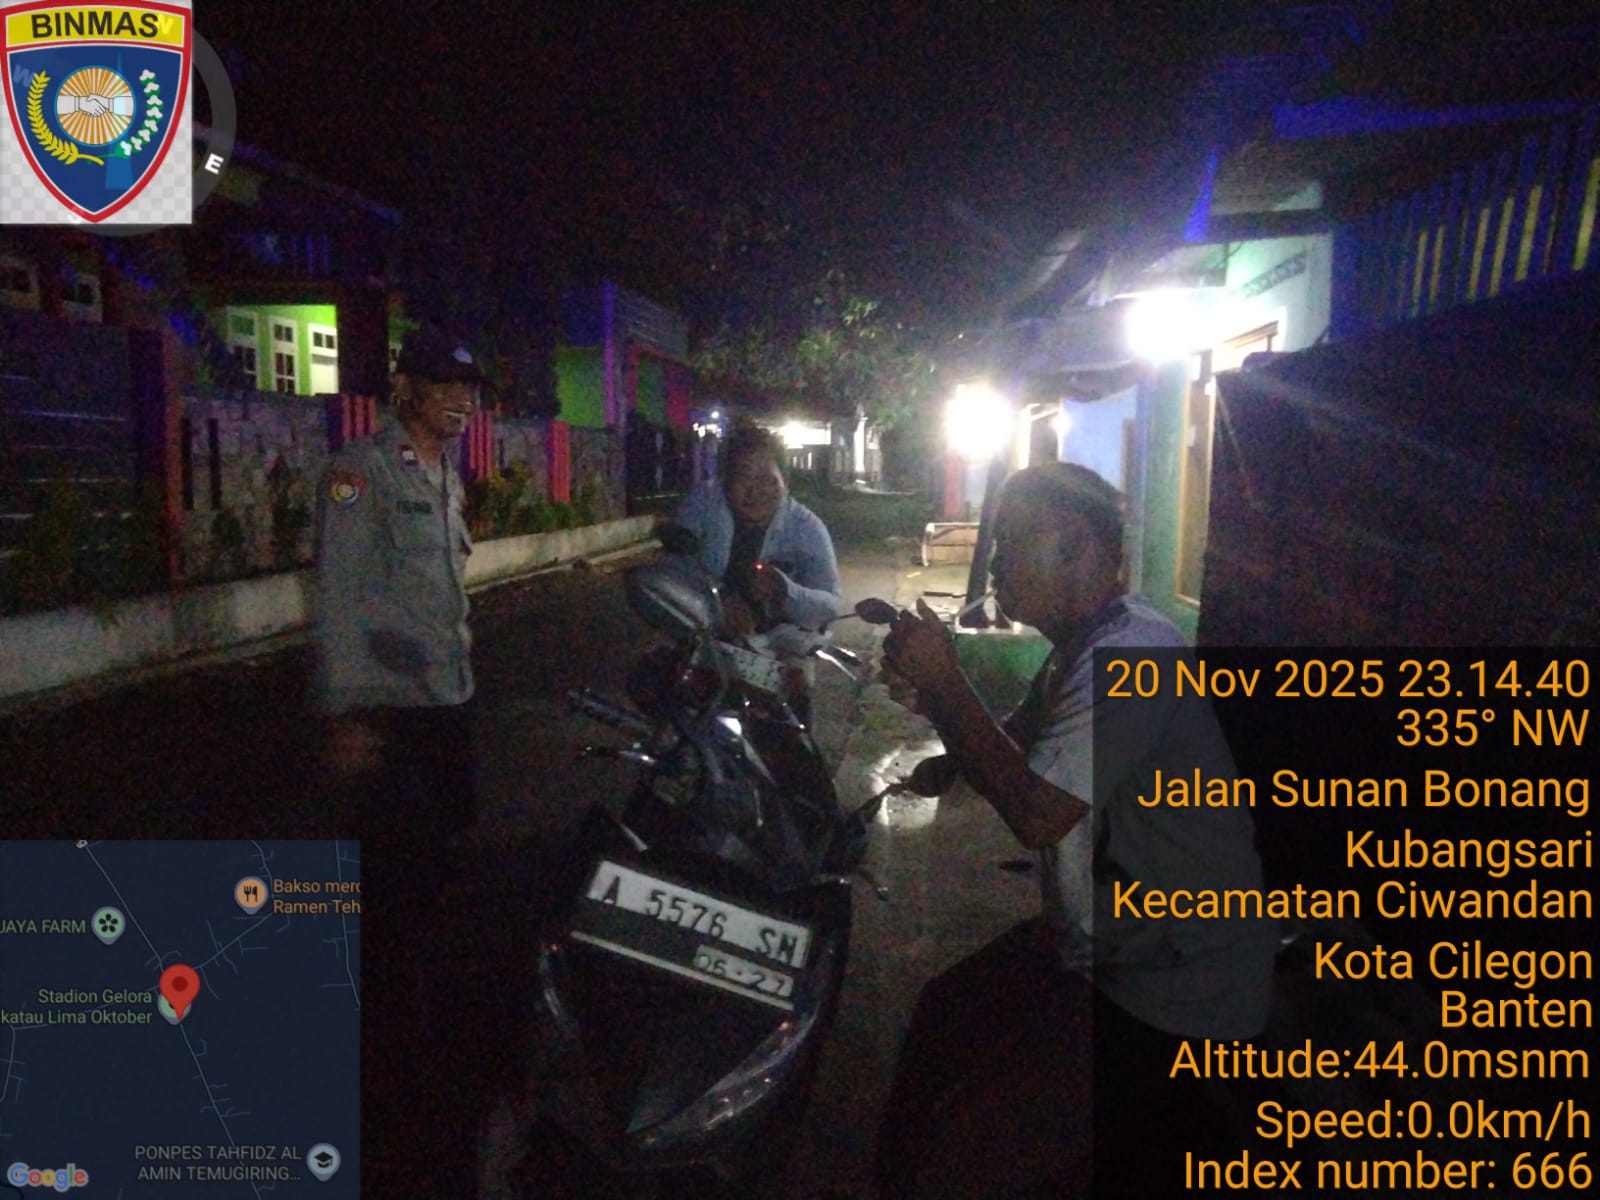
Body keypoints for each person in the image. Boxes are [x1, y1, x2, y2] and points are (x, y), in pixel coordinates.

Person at [875, 462, 1278, 1200]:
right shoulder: (1081, 648)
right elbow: (1014, 746)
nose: (998, 561)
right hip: (1095, 943)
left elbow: (1036, 814)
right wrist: (939, 710)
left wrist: (945, 683)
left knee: (968, 1155)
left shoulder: (1135, 654)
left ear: (1079, 547)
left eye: (1014, 541)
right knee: (946, 1016)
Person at [312, 322, 483, 1196]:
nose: (462, 401)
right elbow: (341, 594)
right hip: (389, 711)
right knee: (393, 882)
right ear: (408, 386)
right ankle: (379, 1064)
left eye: (469, 390)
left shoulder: (447, 473)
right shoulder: (362, 470)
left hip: (449, 701)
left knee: (442, 860)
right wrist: (346, 712)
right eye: (446, 385)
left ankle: (417, 1023)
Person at [672, 421, 842, 636]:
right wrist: (718, 599)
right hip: (703, 634)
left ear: (785, 482)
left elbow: (830, 606)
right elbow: (674, 566)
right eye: (743, 478)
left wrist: (784, 590)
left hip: (779, 645)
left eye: (766, 479)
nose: (755, 491)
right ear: (725, 482)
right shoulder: (701, 505)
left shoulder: (806, 528)